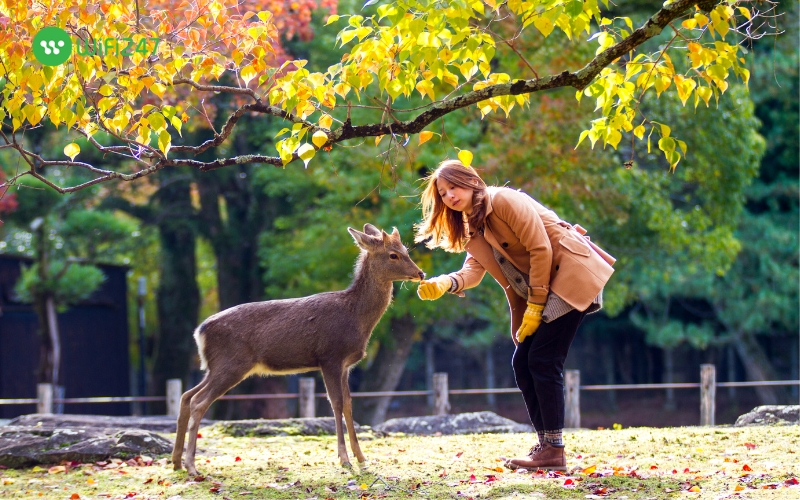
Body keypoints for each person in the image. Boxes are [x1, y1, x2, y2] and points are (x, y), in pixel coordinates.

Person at [414, 159, 616, 471]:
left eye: (453, 186)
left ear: (469, 181)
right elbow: (475, 268)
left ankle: (554, 449)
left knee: (543, 361)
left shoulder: (502, 201)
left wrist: (535, 307)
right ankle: (547, 446)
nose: (449, 196)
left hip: (570, 273)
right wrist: (447, 282)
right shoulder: (472, 224)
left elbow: (541, 249)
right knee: (523, 362)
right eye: (442, 193)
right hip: (545, 286)